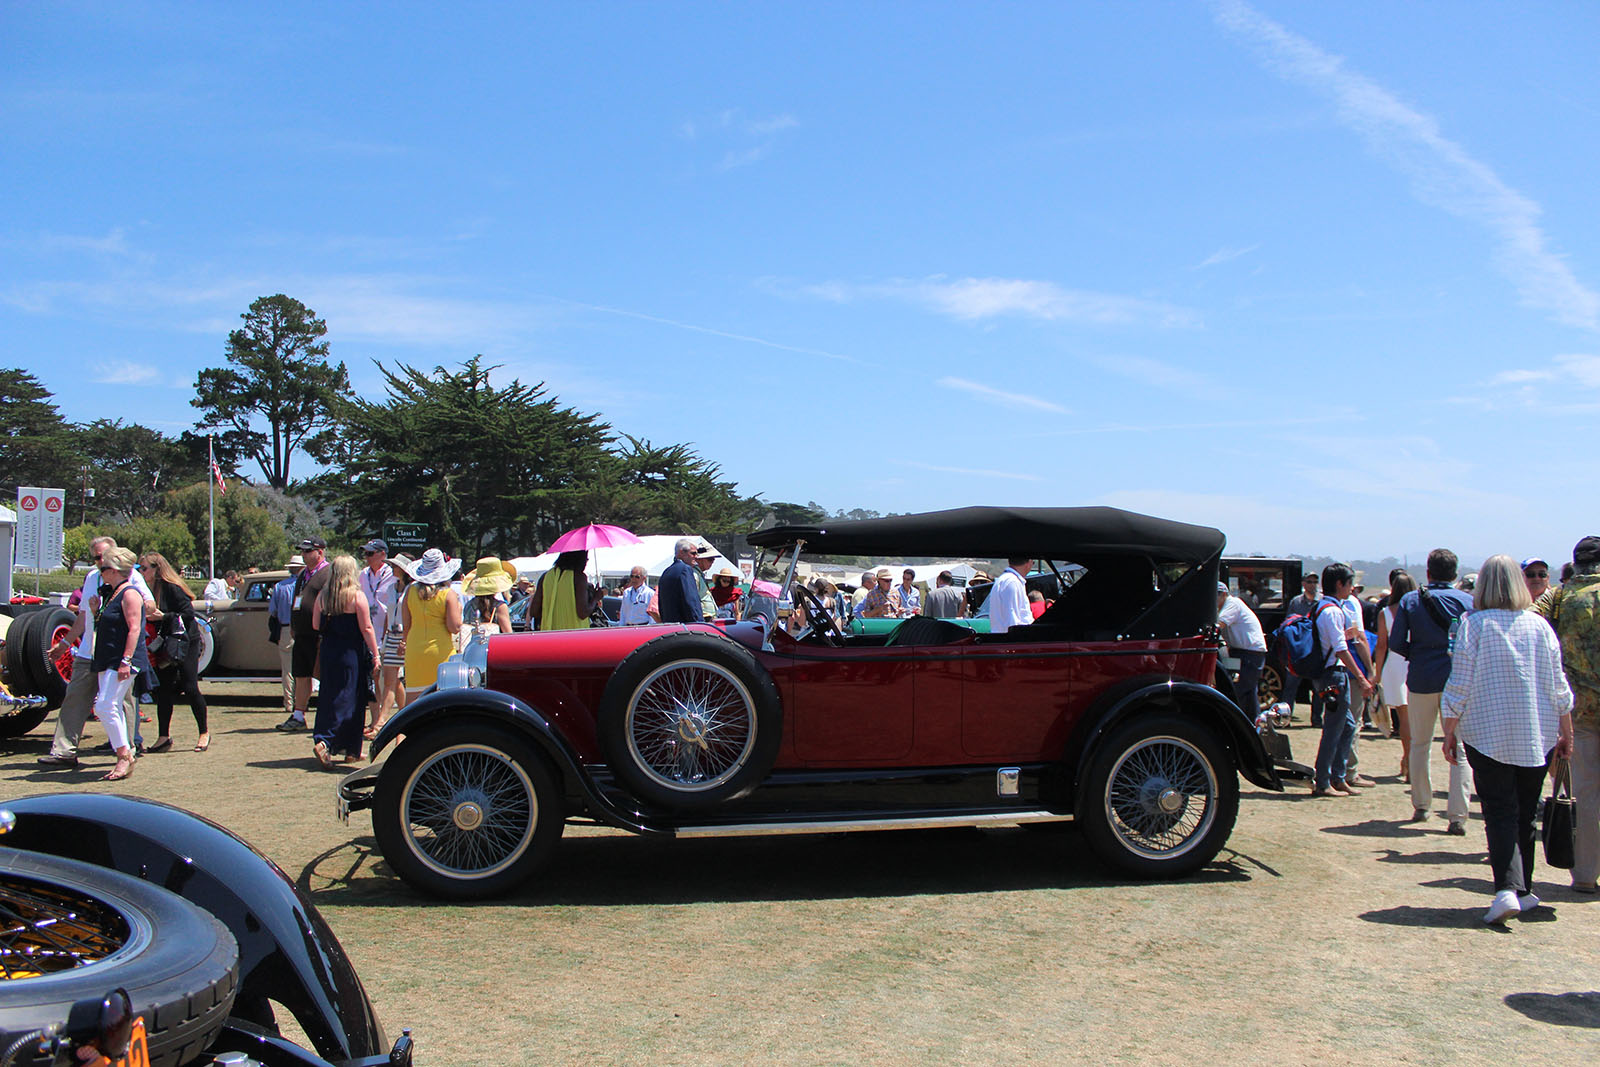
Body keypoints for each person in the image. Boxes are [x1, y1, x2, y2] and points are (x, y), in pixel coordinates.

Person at [1440, 555, 1573, 923]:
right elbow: (1558, 686)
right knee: (1526, 813)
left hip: (1487, 732)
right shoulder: (1539, 626)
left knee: (1499, 811)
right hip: (1536, 732)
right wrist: (1567, 731)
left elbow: (1460, 683)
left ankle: (1506, 889)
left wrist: (1449, 729)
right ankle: (1523, 888)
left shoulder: (1473, 624)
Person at [40, 535, 153, 768]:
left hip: (116, 652)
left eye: (103, 558)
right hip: (89, 651)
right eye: (96, 558)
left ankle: (127, 749)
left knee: (120, 703)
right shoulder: (93, 577)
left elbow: (148, 608)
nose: (99, 563)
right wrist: (65, 643)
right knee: (76, 697)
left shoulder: (131, 579)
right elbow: (83, 616)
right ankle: (64, 751)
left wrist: (127, 657)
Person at [1389, 548, 1474, 831]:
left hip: (1422, 678)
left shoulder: (1411, 600)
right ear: (1455, 573)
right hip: (1456, 680)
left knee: (1420, 744)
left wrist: (1417, 654)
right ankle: (1458, 815)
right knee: (1459, 748)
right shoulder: (1467, 601)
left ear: (1428, 572)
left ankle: (1421, 804)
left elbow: (1397, 642)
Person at [1536, 535, 1600, 893]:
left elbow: (1529, 622)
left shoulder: (1558, 597)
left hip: (1578, 710)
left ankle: (1586, 874)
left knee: (1585, 794)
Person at [1310, 563, 1376, 797]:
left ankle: (1337, 777)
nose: (1351, 589)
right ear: (1340, 584)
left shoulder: (1323, 607)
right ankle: (1324, 781)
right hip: (1334, 674)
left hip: (1330, 673)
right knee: (1334, 728)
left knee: (1346, 725)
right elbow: (1341, 649)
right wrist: (1361, 676)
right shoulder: (1333, 611)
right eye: (1349, 584)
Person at [311, 555, 380, 768]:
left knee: (329, 696)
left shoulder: (323, 597)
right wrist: (376, 654)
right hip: (351, 653)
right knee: (351, 699)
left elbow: (315, 625)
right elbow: (366, 628)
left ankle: (343, 746)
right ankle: (331, 743)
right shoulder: (356, 596)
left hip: (329, 652)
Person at [139, 552, 210, 753]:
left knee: (190, 686)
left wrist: (164, 616)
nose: (142, 572)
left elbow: (188, 614)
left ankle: (204, 732)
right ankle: (163, 737)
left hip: (185, 642)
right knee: (164, 689)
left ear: (156, 569)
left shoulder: (172, 588)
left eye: (144, 568)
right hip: (164, 643)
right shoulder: (146, 590)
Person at [88, 548, 149, 782]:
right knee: (110, 706)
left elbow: (135, 629)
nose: (100, 572)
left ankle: (124, 755)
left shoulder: (129, 593)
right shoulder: (113, 594)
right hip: (108, 658)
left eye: (103, 568)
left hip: (122, 659)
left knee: (104, 706)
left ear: (114, 570)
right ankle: (125, 752)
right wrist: (96, 612)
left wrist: (126, 660)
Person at [277, 537, 331, 733]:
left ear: (320, 552)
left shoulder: (328, 573)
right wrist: (293, 624)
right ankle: (298, 715)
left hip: (319, 634)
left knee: (323, 674)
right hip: (301, 633)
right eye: (303, 551)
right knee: (301, 674)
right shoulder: (303, 575)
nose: (304, 555)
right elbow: (296, 600)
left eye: (308, 551)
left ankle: (327, 715)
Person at [400, 549, 462, 699]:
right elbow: (454, 627)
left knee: (413, 700)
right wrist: (458, 610)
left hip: (414, 650)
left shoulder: (410, 591)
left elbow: (406, 625)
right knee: (443, 699)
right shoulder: (448, 594)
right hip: (440, 651)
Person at [1373, 570, 1417, 781]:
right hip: (1415, 661)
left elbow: (1381, 646)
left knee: (1404, 716)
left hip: (1395, 663)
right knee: (1415, 717)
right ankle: (1412, 760)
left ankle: (1408, 758)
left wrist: (1377, 673)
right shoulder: (1419, 611)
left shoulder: (1386, 613)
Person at [359, 539, 396, 727]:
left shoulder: (391, 574)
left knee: (391, 679)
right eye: (365, 553)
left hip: (387, 633)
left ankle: (388, 719)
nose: (366, 557)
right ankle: (376, 720)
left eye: (370, 553)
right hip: (368, 633)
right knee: (372, 678)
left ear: (383, 554)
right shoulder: (363, 574)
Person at [1218, 581, 1267, 714]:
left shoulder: (1232, 603)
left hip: (1249, 654)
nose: (1215, 598)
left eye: (1217, 594)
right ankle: (1254, 722)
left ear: (1224, 594)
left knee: (1237, 692)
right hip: (1242, 652)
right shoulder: (1225, 607)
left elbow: (1219, 624)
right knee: (1249, 694)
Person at [268, 555, 305, 722]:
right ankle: (301, 702)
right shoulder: (305, 587)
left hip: (285, 628)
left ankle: (289, 702)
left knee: (287, 669)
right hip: (303, 629)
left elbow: (273, 611)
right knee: (305, 668)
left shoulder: (279, 587)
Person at [1286, 573, 1321, 724]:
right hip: (1299, 649)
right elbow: (1288, 622)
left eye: (1315, 582)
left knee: (1318, 687)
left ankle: (1317, 719)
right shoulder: (1296, 602)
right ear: (1303, 584)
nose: (1313, 585)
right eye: (1309, 581)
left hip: (1316, 649)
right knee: (1290, 685)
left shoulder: (1322, 601)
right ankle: (1285, 717)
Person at [530, 550, 593, 630]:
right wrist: (596, 598)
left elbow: (534, 612)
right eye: (586, 559)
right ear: (579, 559)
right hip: (574, 633)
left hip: (549, 632)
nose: (586, 563)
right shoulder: (579, 577)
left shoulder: (545, 577)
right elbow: (583, 613)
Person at [462, 556, 516, 642]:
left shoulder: (469, 605)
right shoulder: (500, 607)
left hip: (471, 648)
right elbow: (508, 635)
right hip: (493, 648)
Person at [657, 539, 702, 624]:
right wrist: (698, 623)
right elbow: (691, 601)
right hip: (686, 626)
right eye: (693, 553)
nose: (696, 557)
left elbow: (661, 605)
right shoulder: (685, 569)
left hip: (670, 625)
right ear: (681, 552)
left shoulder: (666, 572)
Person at [989, 558, 1034, 635]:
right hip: (1013, 639)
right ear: (1029, 562)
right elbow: (1011, 620)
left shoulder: (1005, 580)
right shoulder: (1012, 582)